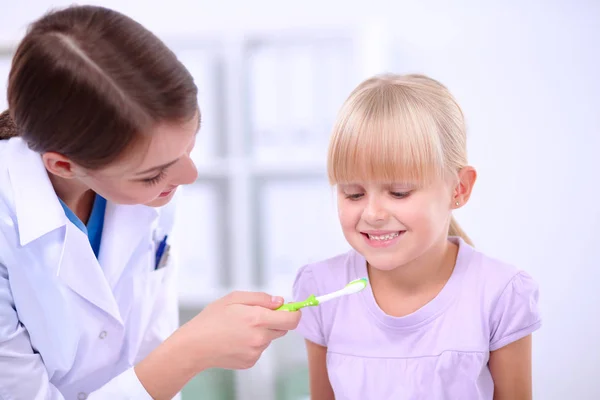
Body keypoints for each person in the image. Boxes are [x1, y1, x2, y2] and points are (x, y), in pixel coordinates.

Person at [0, 5, 300, 400]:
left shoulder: (138, 195)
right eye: (153, 173)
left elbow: (145, 365)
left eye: (189, 146)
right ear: (63, 164)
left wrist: (182, 355)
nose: (188, 176)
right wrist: (192, 350)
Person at [292, 74, 541, 399]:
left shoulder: (501, 294)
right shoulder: (323, 289)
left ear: (459, 189)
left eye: (398, 192)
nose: (372, 213)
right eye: (353, 194)